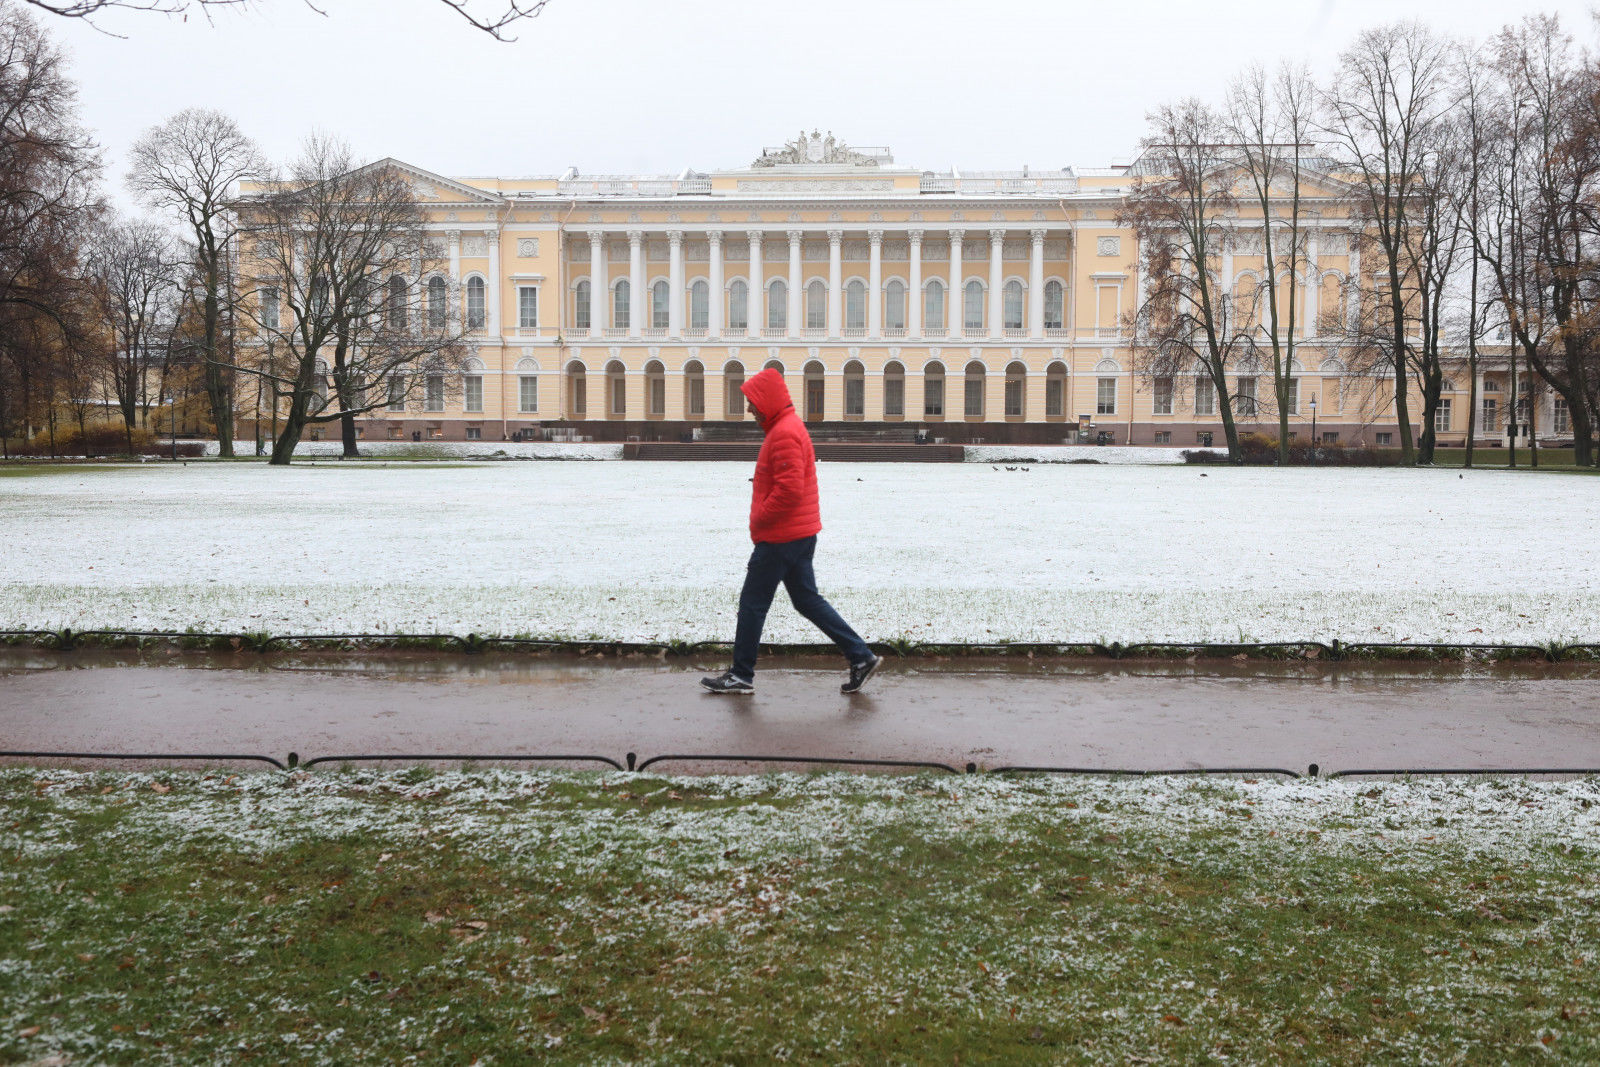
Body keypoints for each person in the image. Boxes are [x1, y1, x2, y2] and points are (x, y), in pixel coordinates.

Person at [700, 367, 881, 696]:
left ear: (766, 401)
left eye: (753, 402)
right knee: (807, 600)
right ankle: (861, 656)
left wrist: (760, 520)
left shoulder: (783, 433)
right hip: (799, 533)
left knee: (753, 603)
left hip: (781, 536)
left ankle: (741, 674)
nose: (749, 409)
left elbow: (789, 490)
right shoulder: (786, 428)